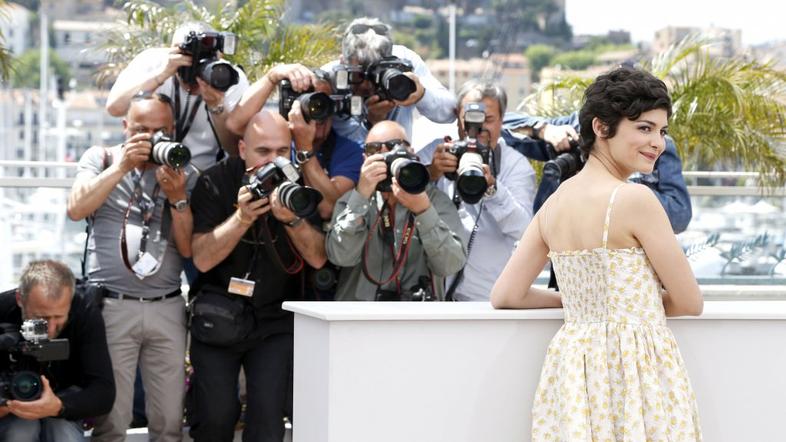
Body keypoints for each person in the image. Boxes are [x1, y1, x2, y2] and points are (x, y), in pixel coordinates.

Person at [491, 67, 703, 440]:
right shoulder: (636, 198)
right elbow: (689, 301)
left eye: (662, 131)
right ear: (601, 128)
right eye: (644, 128)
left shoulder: (554, 204)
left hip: (573, 370)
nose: (658, 143)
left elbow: (507, 295)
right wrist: (624, 306)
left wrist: (581, 303)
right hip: (635, 369)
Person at [188, 110, 327, 441]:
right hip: (219, 314)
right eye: (263, 152)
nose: (273, 161)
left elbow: (319, 259)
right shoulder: (215, 181)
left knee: (267, 422)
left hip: (274, 321)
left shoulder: (302, 184)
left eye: (281, 152)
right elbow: (202, 260)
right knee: (215, 416)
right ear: (242, 149)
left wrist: (292, 220)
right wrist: (242, 218)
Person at [67, 92, 194, 442]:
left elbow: (187, 248)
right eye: (141, 130)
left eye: (160, 131)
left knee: (169, 420)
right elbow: (77, 208)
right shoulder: (101, 157)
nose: (151, 139)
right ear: (124, 127)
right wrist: (121, 166)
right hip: (111, 305)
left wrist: (178, 198)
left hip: (166, 304)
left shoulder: (182, 169)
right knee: (112, 419)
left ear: (173, 131)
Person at [419, 80, 536, 301]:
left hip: (485, 302)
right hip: (435, 300)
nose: (478, 128)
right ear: (457, 118)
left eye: (488, 120)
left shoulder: (515, 166)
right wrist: (431, 173)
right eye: (470, 120)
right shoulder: (438, 153)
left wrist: (493, 189)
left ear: (502, 120)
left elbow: (523, 230)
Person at [326, 120, 467, 301]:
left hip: (416, 320)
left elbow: (451, 265)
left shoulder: (434, 200)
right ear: (364, 160)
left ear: (412, 153)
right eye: (374, 150)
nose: (385, 156)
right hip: (361, 319)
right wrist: (361, 197)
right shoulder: (351, 201)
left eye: (394, 146)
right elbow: (341, 257)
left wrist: (424, 211)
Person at [503, 111, 692, 233]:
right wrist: (543, 130)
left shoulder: (656, 147)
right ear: (598, 125)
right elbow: (497, 124)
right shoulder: (573, 131)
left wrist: (615, 188)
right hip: (573, 252)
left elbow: (680, 216)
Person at [106, 21, 249, 172]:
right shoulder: (153, 62)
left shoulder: (229, 77)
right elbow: (115, 108)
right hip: (149, 169)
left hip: (203, 179)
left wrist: (216, 106)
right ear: (172, 51)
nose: (195, 69)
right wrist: (161, 75)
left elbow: (236, 149)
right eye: (187, 58)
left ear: (219, 56)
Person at [226, 64, 363, 220]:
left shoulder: (349, 151)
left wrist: (304, 148)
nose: (315, 109)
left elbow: (330, 209)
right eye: (309, 101)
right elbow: (234, 125)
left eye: (322, 102)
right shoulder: (277, 142)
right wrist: (271, 78)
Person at [0, 260, 115, 441]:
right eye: (41, 317)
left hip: (66, 399)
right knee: (20, 431)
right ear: (20, 299)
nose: (51, 328)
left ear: (70, 301)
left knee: (63, 431)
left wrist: (59, 406)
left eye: (59, 316)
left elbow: (104, 391)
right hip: (12, 409)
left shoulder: (84, 311)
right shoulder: (3, 310)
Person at [322, 17, 456, 144]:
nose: (367, 85)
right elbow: (347, 150)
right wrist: (372, 121)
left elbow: (450, 112)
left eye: (375, 73)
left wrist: (422, 95)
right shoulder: (331, 78)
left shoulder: (404, 63)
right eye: (359, 75)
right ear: (342, 62)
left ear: (390, 59)